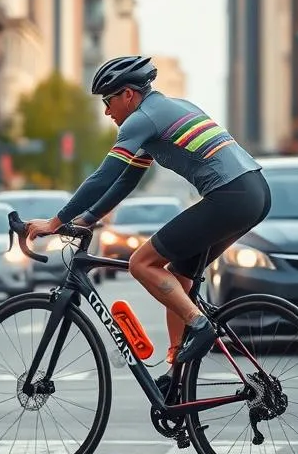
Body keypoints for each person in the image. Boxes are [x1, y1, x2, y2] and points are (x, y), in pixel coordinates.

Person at [26, 55, 272, 393]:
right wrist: (85, 220)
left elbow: (102, 178)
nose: (107, 111)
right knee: (178, 279)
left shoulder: (141, 120)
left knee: (141, 263)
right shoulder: (165, 111)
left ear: (128, 94)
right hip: (254, 191)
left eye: (108, 100)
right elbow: (126, 182)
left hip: (231, 195)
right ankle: (177, 377)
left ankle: (199, 325)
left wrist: (56, 221)